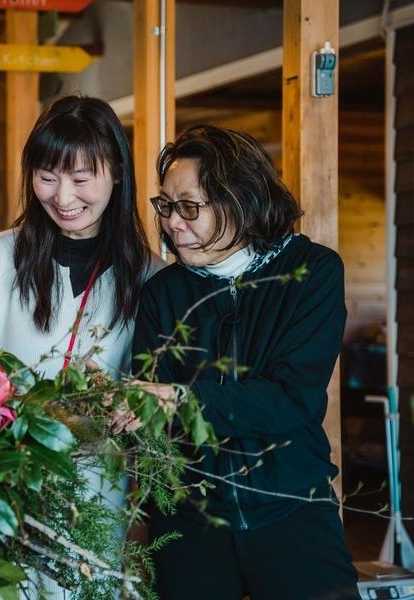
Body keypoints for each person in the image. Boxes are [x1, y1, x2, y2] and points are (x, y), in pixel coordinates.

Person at [131, 124, 358, 599]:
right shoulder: (163, 293)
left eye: (189, 207)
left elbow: (290, 399)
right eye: (166, 206)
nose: (173, 223)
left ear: (240, 198)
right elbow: (151, 410)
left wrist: (180, 399)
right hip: (190, 518)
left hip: (291, 505)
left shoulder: (312, 273)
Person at [0, 95, 157, 597]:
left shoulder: (150, 277)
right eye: (47, 176)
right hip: (6, 495)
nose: (63, 196)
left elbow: (152, 404)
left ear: (116, 171)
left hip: (100, 503)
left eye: (81, 177)